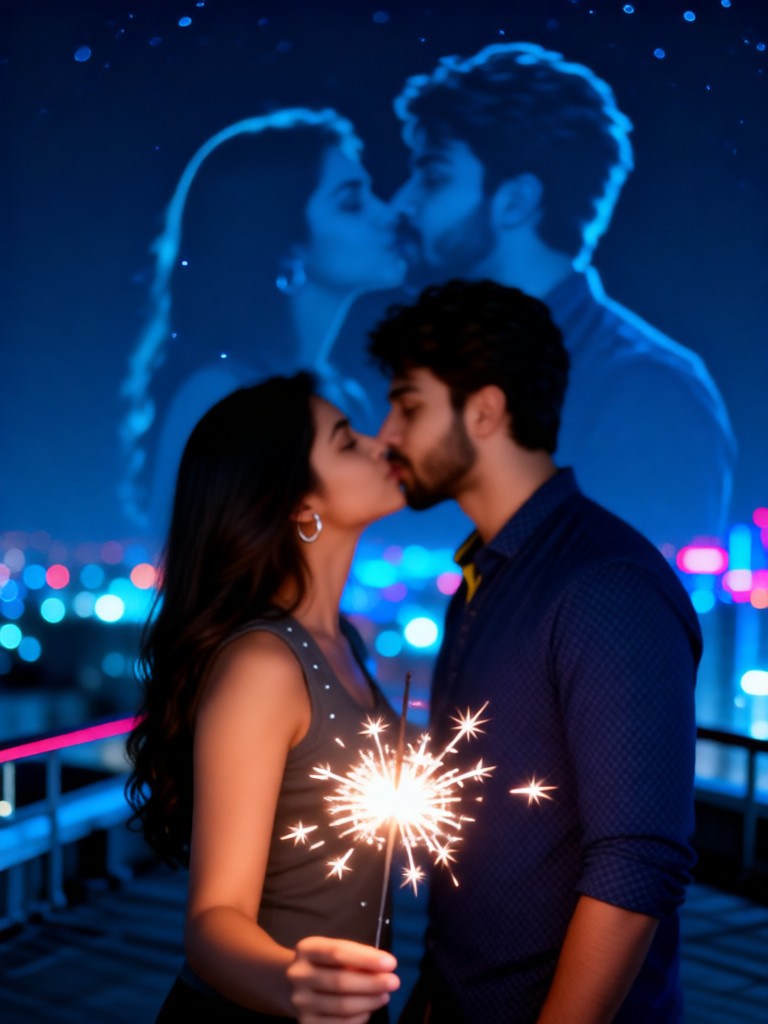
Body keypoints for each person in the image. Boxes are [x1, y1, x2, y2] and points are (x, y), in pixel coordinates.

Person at [369, 279, 701, 1023]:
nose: (387, 432)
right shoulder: (480, 582)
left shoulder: (603, 585)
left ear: (484, 410)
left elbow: (638, 862)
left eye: (409, 404)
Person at [125, 372, 404, 1021]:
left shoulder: (345, 643)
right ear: (299, 506)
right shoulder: (265, 664)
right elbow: (213, 920)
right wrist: (294, 981)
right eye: (346, 441)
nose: (378, 443)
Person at [388, 42, 736, 550]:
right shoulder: (452, 362)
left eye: (434, 176)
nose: (403, 202)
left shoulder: (646, 388)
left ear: (515, 201)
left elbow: (642, 611)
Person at [120, 108, 405, 532]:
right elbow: (180, 571)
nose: (386, 213)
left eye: (371, 194)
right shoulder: (219, 394)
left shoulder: (344, 395)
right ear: (287, 243)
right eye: (351, 202)